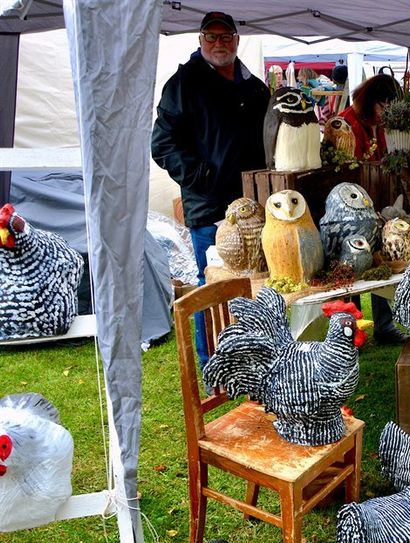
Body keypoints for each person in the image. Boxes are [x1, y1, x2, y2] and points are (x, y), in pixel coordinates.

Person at [151, 11, 269, 368]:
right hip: (211, 209)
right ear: (200, 40)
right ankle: (212, 363)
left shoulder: (253, 86)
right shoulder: (184, 84)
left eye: (225, 36)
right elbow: (162, 144)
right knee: (214, 288)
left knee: (255, 287)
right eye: (211, 36)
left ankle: (251, 361)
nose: (219, 43)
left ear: (236, 39)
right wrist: (200, 175)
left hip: (254, 207)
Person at [339, 74, 407, 344]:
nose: (385, 116)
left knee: (382, 263)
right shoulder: (346, 123)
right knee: (353, 267)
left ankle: (383, 324)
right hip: (351, 210)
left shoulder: (377, 125)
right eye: (383, 108)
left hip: (376, 204)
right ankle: (350, 330)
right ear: (370, 101)